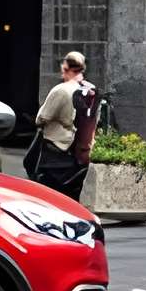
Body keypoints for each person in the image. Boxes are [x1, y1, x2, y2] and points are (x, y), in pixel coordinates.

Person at [26, 50, 96, 201]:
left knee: (46, 187)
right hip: (81, 146)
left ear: (66, 68)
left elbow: (41, 118)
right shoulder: (90, 89)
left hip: (58, 145)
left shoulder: (61, 90)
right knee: (72, 192)